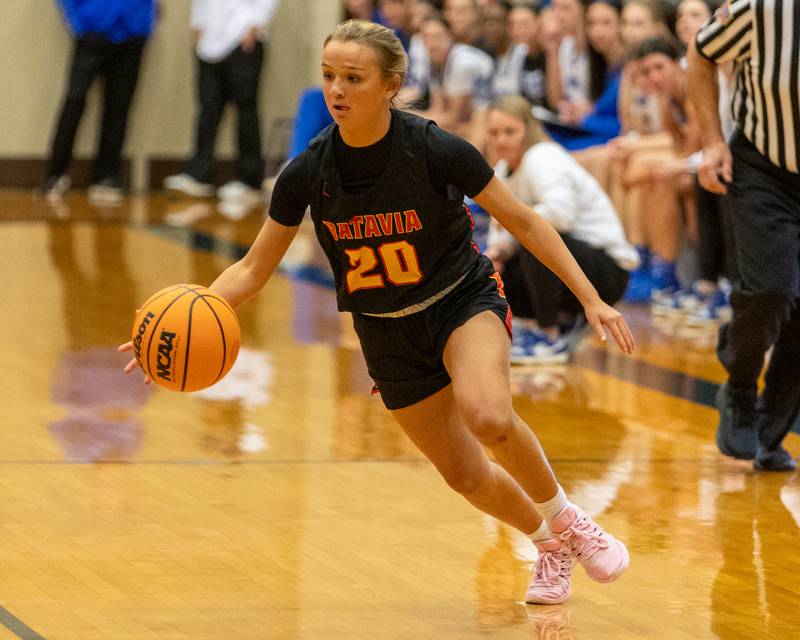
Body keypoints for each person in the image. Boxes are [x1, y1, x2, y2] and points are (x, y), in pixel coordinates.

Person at [121, 19, 635, 603]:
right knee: (464, 474)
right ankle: (548, 545)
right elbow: (251, 270)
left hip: (460, 301)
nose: (336, 90)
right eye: (329, 77)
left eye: (353, 78)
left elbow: (525, 220)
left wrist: (590, 298)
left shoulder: (435, 148)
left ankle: (571, 521)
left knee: (488, 415)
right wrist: (175, 328)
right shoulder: (309, 173)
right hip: (385, 331)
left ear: (390, 85)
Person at [687, 0, 800, 472]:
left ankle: (770, 435)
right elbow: (700, 52)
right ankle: (739, 384)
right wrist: (713, 140)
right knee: (770, 291)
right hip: (763, 168)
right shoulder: (766, 9)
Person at [484, 95, 638, 364]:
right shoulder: (502, 170)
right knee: (489, 270)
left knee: (537, 238)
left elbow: (560, 215)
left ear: (528, 129)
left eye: (510, 131)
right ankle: (551, 323)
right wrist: (499, 252)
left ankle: (549, 332)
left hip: (607, 271)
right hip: (573, 266)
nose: (501, 140)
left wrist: (516, 222)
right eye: (494, 133)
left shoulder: (543, 157)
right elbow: (505, 234)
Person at [40, 0, 159, 204]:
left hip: (133, 34)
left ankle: (106, 175)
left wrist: (146, 21)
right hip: (93, 32)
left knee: (118, 107)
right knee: (75, 100)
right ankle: (55, 173)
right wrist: (78, 22)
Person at [164, 0, 280, 209]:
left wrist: (256, 25)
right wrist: (197, 24)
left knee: (245, 111)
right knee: (207, 109)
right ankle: (198, 175)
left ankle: (248, 179)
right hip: (209, 43)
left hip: (243, 38)